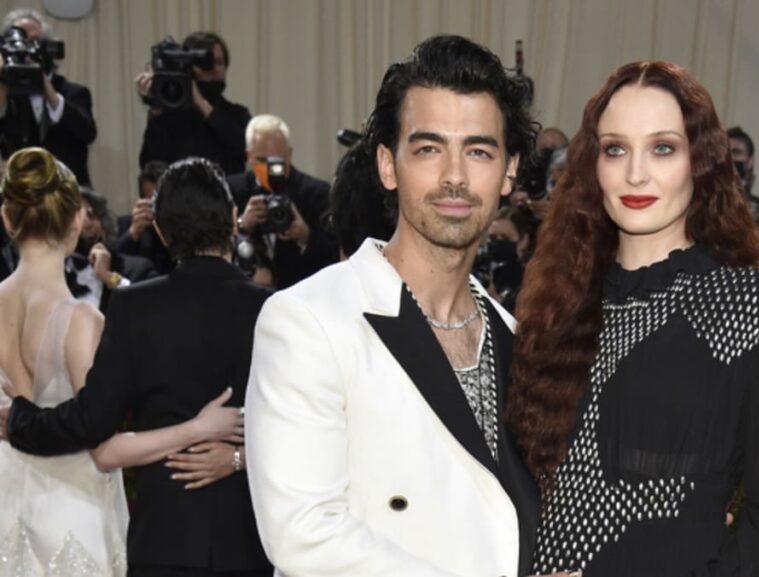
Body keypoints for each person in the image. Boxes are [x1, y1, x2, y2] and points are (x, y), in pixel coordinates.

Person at [245, 35, 541, 577]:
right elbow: (304, 534)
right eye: (429, 149)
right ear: (388, 164)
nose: (454, 176)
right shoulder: (309, 321)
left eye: (478, 151)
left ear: (509, 171)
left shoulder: (514, 338)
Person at [508, 61, 759, 577]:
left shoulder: (752, 304)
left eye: (663, 148)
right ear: (592, 165)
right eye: (616, 149)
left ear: (701, 161)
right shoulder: (553, 303)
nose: (636, 173)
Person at [1, 156, 273, 577]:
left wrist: (19, 420)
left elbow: (91, 421)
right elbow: (304, 425)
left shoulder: (134, 306)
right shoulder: (274, 309)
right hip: (249, 541)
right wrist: (239, 456)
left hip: (161, 538)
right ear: (234, 219)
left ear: (160, 231)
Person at [230, 114, 337, 289]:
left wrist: (306, 237)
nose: (269, 169)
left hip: (301, 294)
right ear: (248, 156)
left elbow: (336, 257)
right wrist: (242, 225)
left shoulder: (317, 193)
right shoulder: (232, 190)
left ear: (289, 155)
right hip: (246, 297)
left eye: (276, 161)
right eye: (261, 160)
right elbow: (214, 251)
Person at [0, 9, 96, 185]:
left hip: (66, 190)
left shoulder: (74, 92)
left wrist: (49, 93)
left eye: (33, 43)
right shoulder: (7, 96)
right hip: (19, 192)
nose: (25, 51)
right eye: (19, 44)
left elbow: (88, 133)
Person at [137, 31, 251, 176]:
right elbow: (149, 165)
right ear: (190, 68)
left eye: (219, 62)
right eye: (207, 63)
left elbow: (243, 148)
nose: (215, 69)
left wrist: (201, 103)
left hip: (225, 189)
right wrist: (156, 107)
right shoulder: (171, 120)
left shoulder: (237, 115)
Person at [67, 187, 157, 312]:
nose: (88, 224)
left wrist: (109, 277)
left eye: (91, 214)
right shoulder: (59, 278)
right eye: (77, 219)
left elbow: (152, 308)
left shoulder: (137, 269)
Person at [115, 161, 173, 275]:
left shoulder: (184, 226)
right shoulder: (127, 224)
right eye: (153, 202)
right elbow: (114, 262)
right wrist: (133, 233)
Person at [727, 125, 759, 241]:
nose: (730, 158)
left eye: (736, 152)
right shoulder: (706, 204)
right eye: (726, 152)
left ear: (750, 161)